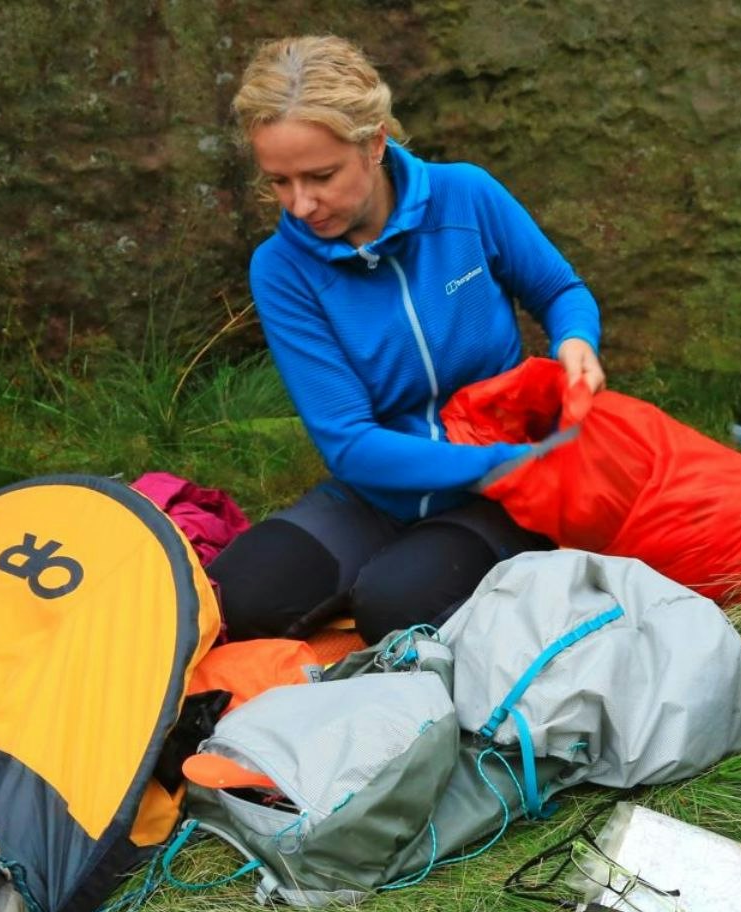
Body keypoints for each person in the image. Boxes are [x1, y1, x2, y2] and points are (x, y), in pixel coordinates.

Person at [209, 35, 604, 644]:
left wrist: (576, 340)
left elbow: (559, 291)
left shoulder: (465, 196)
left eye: (321, 176)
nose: (301, 205)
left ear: (374, 143)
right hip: (382, 489)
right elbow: (350, 442)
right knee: (238, 594)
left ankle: (489, 557)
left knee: (394, 606)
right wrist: (507, 463)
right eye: (279, 182)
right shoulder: (281, 268)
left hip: (500, 491)